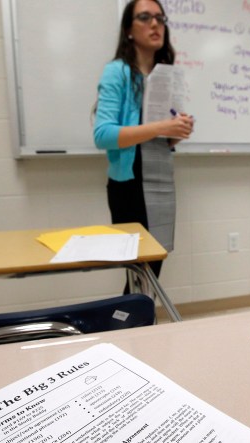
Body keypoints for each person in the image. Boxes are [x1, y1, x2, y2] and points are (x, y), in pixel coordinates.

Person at [93, 0, 194, 285]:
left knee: (153, 270)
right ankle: (131, 324)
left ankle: (138, 324)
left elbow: (162, 139)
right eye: (145, 17)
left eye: (160, 19)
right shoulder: (117, 72)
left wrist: (177, 131)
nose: (155, 24)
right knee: (139, 274)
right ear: (128, 30)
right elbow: (103, 135)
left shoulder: (166, 74)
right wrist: (163, 126)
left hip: (160, 180)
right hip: (130, 185)